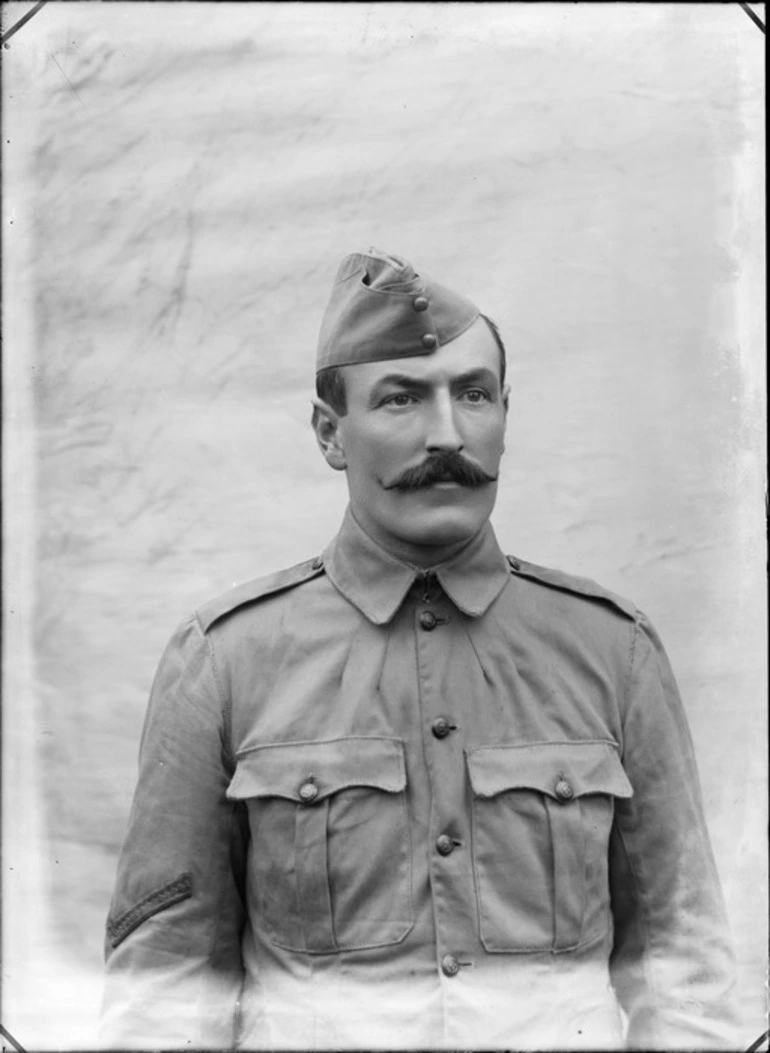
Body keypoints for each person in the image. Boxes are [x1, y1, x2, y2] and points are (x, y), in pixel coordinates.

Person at [100, 249, 738, 1050]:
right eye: (401, 398)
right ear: (331, 433)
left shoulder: (616, 652)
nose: (448, 433)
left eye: (473, 394)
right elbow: (163, 996)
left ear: (506, 414)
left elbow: (686, 983)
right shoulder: (223, 661)